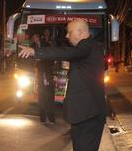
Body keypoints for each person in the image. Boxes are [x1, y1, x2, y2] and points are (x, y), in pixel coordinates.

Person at [19, 20, 106, 151]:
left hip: (89, 115)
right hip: (85, 114)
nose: (66, 36)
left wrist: (35, 51)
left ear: (80, 32)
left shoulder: (87, 46)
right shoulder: (89, 47)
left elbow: (66, 52)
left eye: (69, 32)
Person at [31, 34, 55, 124]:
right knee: (42, 99)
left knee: (50, 99)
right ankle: (43, 118)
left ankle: (51, 118)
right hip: (41, 77)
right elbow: (31, 59)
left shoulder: (46, 45)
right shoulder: (32, 47)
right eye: (33, 38)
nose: (35, 39)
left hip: (48, 76)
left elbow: (51, 57)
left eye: (36, 37)